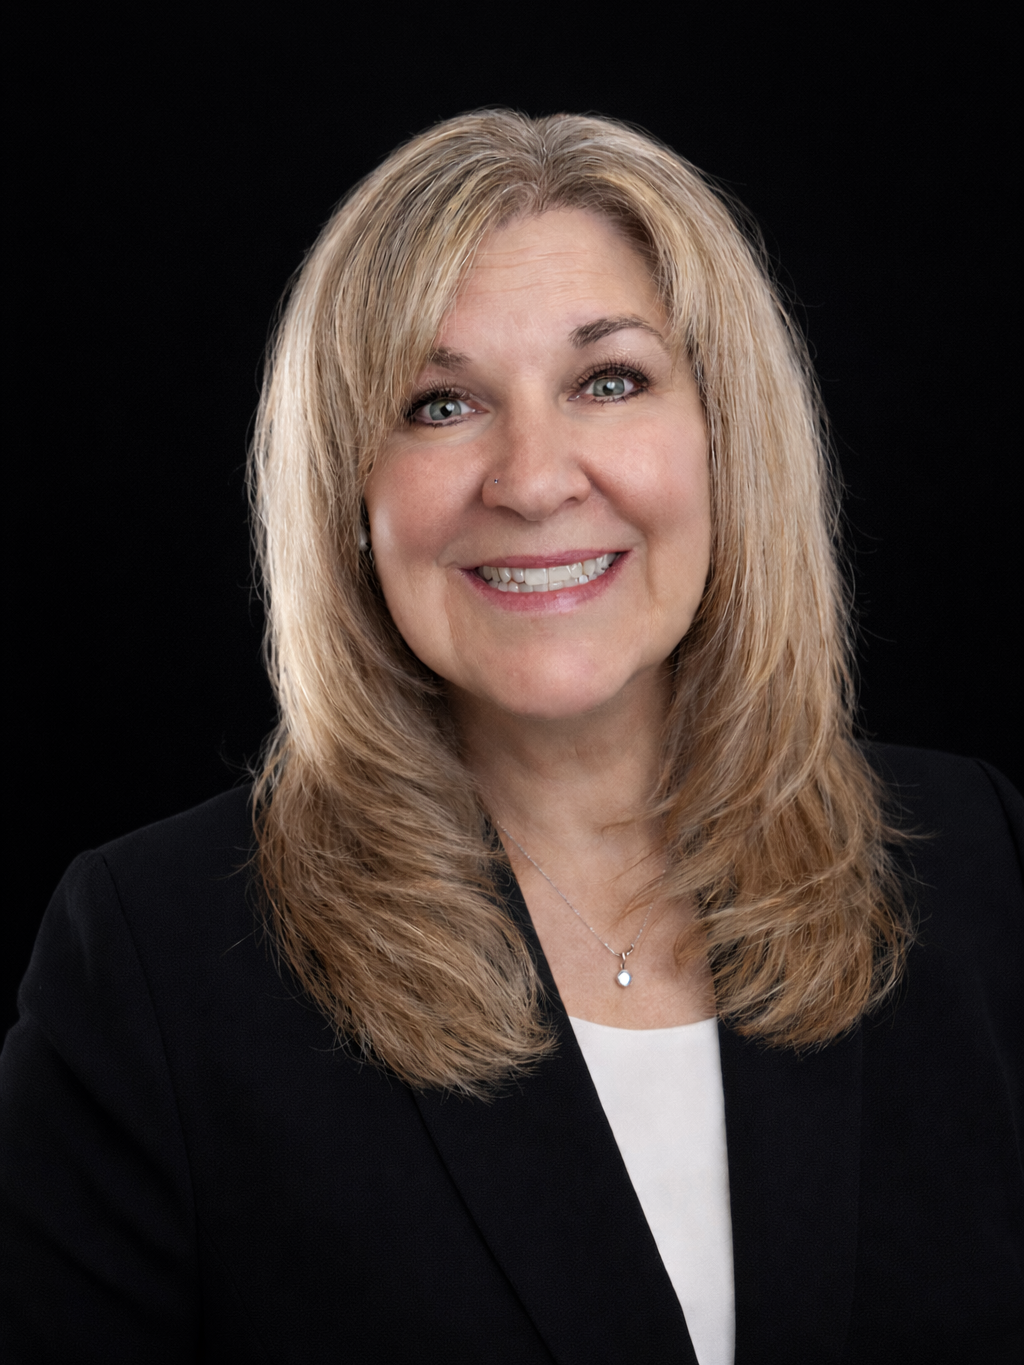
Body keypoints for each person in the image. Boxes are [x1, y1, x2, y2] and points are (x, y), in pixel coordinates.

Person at [1, 110, 1020, 1365]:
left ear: (726, 440)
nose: (533, 480)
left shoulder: (981, 863)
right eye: (438, 404)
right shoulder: (151, 958)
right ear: (347, 495)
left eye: (608, 381)